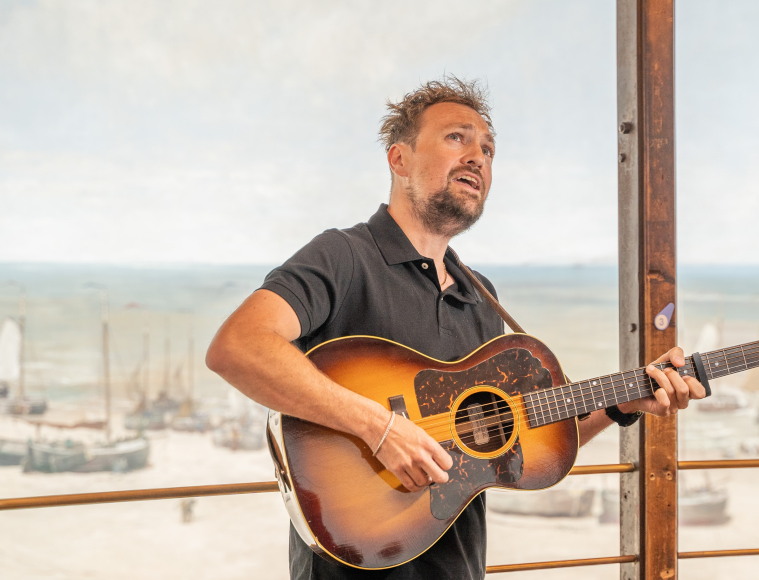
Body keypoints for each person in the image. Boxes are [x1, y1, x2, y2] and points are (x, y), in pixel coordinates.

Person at [205, 76, 706, 580]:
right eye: (456, 138)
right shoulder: (344, 257)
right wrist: (379, 428)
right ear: (398, 160)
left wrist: (623, 403)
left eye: (488, 148)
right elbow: (239, 346)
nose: (478, 157)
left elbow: (525, 435)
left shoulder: (479, 293)